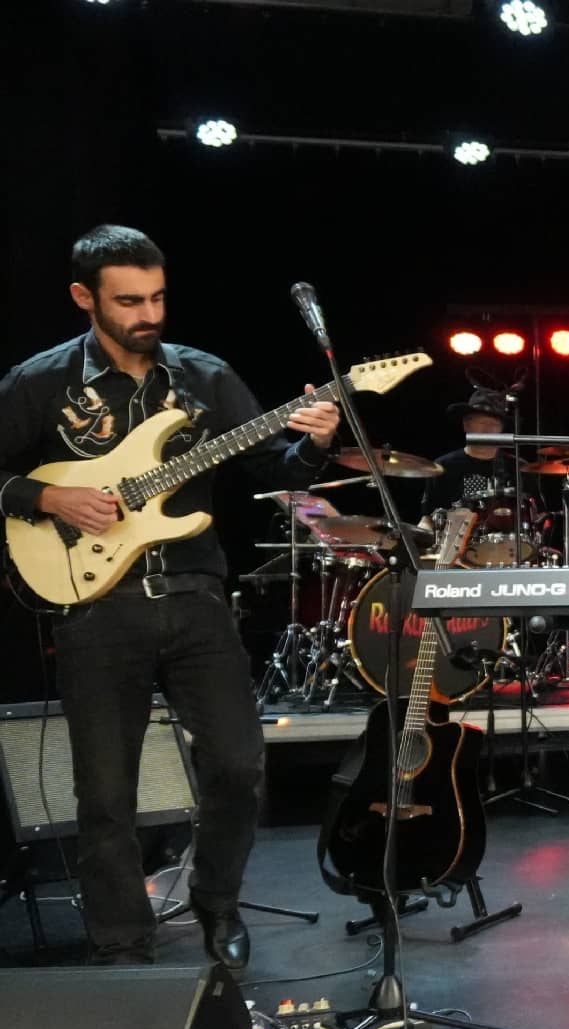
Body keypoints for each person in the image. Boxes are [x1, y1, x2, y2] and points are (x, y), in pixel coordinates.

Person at [0, 225, 340, 966]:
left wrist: (312, 442)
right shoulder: (40, 382)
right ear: (83, 298)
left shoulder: (204, 377)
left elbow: (269, 475)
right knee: (106, 791)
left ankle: (217, 906)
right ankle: (122, 943)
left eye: (157, 297)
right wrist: (47, 498)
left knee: (238, 766)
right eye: (129, 301)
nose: (148, 314)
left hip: (196, 595)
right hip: (96, 605)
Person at [418, 387, 516, 519]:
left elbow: (536, 515)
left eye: (494, 424)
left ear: (502, 429)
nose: (487, 429)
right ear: (466, 424)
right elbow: (428, 519)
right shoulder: (443, 466)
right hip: (456, 537)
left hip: (509, 537)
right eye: (482, 422)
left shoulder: (517, 467)